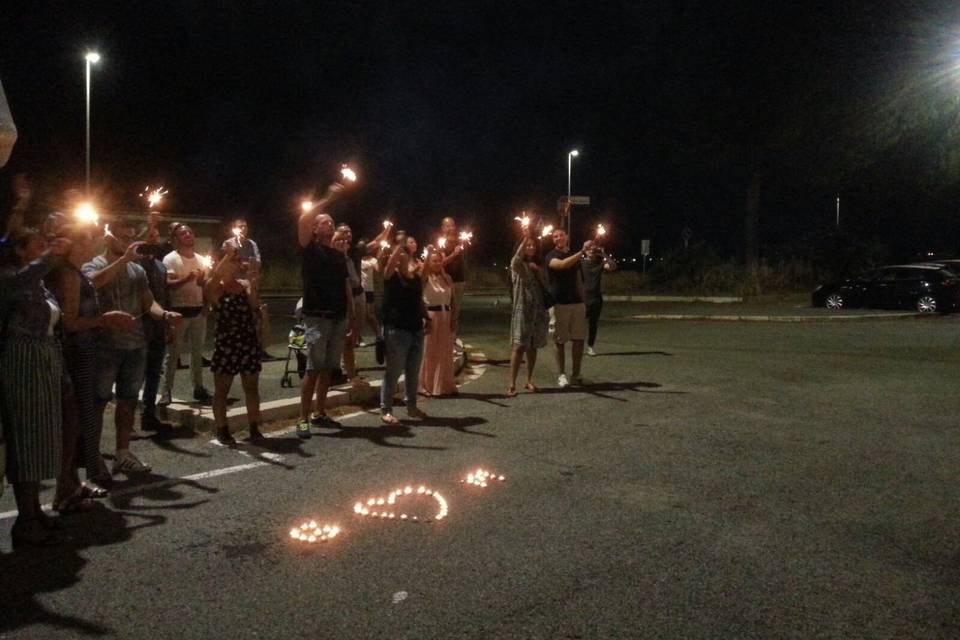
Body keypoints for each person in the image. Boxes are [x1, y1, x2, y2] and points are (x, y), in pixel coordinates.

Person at [83, 219, 182, 474]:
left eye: (130, 238)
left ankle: (123, 453)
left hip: (136, 344)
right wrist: (124, 260)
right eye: (122, 237)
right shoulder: (95, 263)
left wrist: (165, 314)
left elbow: (148, 302)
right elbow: (94, 282)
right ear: (108, 238)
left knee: (128, 401)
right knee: (99, 401)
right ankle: (92, 456)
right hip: (105, 345)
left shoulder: (137, 270)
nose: (128, 242)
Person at [50, 223, 135, 509]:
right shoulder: (68, 275)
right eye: (87, 242)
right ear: (73, 246)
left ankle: (74, 483)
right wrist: (105, 319)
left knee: (80, 421)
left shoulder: (76, 272)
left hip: (86, 352)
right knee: (73, 423)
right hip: (76, 354)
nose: (93, 246)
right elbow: (70, 322)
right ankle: (65, 488)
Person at [0, 229, 71, 546]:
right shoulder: (11, 278)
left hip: (43, 358)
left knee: (41, 438)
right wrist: (51, 254)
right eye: (38, 245)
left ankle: (34, 512)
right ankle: (25, 521)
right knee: (27, 439)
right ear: (18, 250)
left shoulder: (38, 282)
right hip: (23, 361)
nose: (45, 249)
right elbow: (20, 283)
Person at [295, 184, 353, 439]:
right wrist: (328, 198)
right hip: (316, 318)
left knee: (329, 368)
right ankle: (303, 418)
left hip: (338, 317)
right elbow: (303, 218)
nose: (329, 225)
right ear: (315, 229)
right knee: (313, 368)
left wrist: (351, 316)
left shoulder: (338, 254)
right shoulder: (309, 248)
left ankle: (320, 412)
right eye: (324, 223)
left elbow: (345, 288)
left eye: (331, 222)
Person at [204, 245, 262, 445]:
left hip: (247, 341)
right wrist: (227, 257)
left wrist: (253, 284)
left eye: (237, 261)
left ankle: (254, 427)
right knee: (222, 390)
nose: (237, 264)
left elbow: (254, 305)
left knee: (251, 387)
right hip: (226, 343)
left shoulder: (244, 284)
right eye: (233, 261)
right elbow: (210, 285)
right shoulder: (216, 288)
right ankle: (222, 429)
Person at [380, 240, 430, 424]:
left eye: (405, 254)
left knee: (413, 370)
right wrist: (399, 246)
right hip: (396, 330)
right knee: (393, 371)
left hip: (416, 329)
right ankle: (386, 409)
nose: (401, 256)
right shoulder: (391, 277)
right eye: (398, 254)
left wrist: (428, 319)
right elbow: (390, 264)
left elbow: (419, 300)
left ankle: (412, 406)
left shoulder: (415, 279)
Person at [161, 223, 210, 404]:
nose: (188, 235)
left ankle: (198, 387)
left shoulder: (200, 259)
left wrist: (207, 304)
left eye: (190, 232)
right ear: (176, 239)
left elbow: (205, 284)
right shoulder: (170, 259)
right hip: (178, 312)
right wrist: (187, 278)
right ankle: (167, 390)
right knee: (173, 354)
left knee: (197, 353)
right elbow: (168, 284)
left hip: (198, 311)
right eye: (183, 233)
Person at [545, 228, 592, 388]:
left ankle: (576, 374)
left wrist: (584, 302)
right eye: (555, 236)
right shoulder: (551, 256)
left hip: (577, 303)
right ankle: (561, 375)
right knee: (560, 340)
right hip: (559, 303)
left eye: (561, 235)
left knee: (578, 339)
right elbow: (562, 265)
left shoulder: (575, 257)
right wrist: (582, 251)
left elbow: (579, 280)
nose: (558, 238)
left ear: (567, 237)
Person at [221, 217, 273, 360]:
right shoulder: (228, 243)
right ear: (234, 228)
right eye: (240, 226)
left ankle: (259, 348)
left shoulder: (252, 244)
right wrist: (241, 264)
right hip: (234, 285)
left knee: (257, 316)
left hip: (251, 283)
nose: (243, 229)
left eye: (245, 226)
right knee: (236, 318)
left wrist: (248, 266)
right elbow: (225, 263)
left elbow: (257, 262)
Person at [139, 218, 172, 429]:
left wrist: (167, 322)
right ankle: (128, 422)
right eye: (149, 235)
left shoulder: (160, 266)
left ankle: (148, 414)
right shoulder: (135, 263)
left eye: (156, 235)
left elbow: (164, 295)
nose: (154, 238)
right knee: (135, 373)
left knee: (153, 372)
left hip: (158, 324)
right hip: (140, 325)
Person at [507, 233, 550, 396]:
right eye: (527, 245)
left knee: (533, 347)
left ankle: (529, 380)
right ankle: (511, 384)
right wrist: (525, 236)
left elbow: (546, 284)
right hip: (522, 310)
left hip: (537, 311)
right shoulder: (517, 265)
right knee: (518, 346)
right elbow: (516, 259)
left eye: (533, 245)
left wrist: (538, 272)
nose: (530, 247)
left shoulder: (537, 265)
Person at [419, 246, 458, 397]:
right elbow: (421, 276)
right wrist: (428, 253)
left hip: (445, 315)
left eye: (439, 261)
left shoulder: (447, 278)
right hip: (431, 315)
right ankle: (427, 384)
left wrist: (454, 318)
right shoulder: (425, 277)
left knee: (445, 352)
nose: (437, 263)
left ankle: (445, 385)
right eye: (434, 261)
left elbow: (453, 299)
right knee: (429, 351)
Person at [581, 244, 617, 356]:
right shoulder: (581, 262)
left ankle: (590, 347)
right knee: (579, 324)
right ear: (585, 251)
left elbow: (612, 267)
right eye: (588, 249)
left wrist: (603, 254)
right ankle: (578, 346)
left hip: (596, 298)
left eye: (593, 248)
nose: (591, 250)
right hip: (583, 298)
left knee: (593, 324)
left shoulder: (599, 263)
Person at [439, 217, 466, 347]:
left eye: (453, 225)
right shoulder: (442, 243)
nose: (451, 228)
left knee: (456, 310)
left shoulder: (460, 242)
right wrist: (454, 255)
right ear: (443, 228)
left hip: (460, 280)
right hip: (446, 280)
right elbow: (441, 262)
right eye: (448, 226)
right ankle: (445, 336)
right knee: (447, 309)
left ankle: (453, 337)